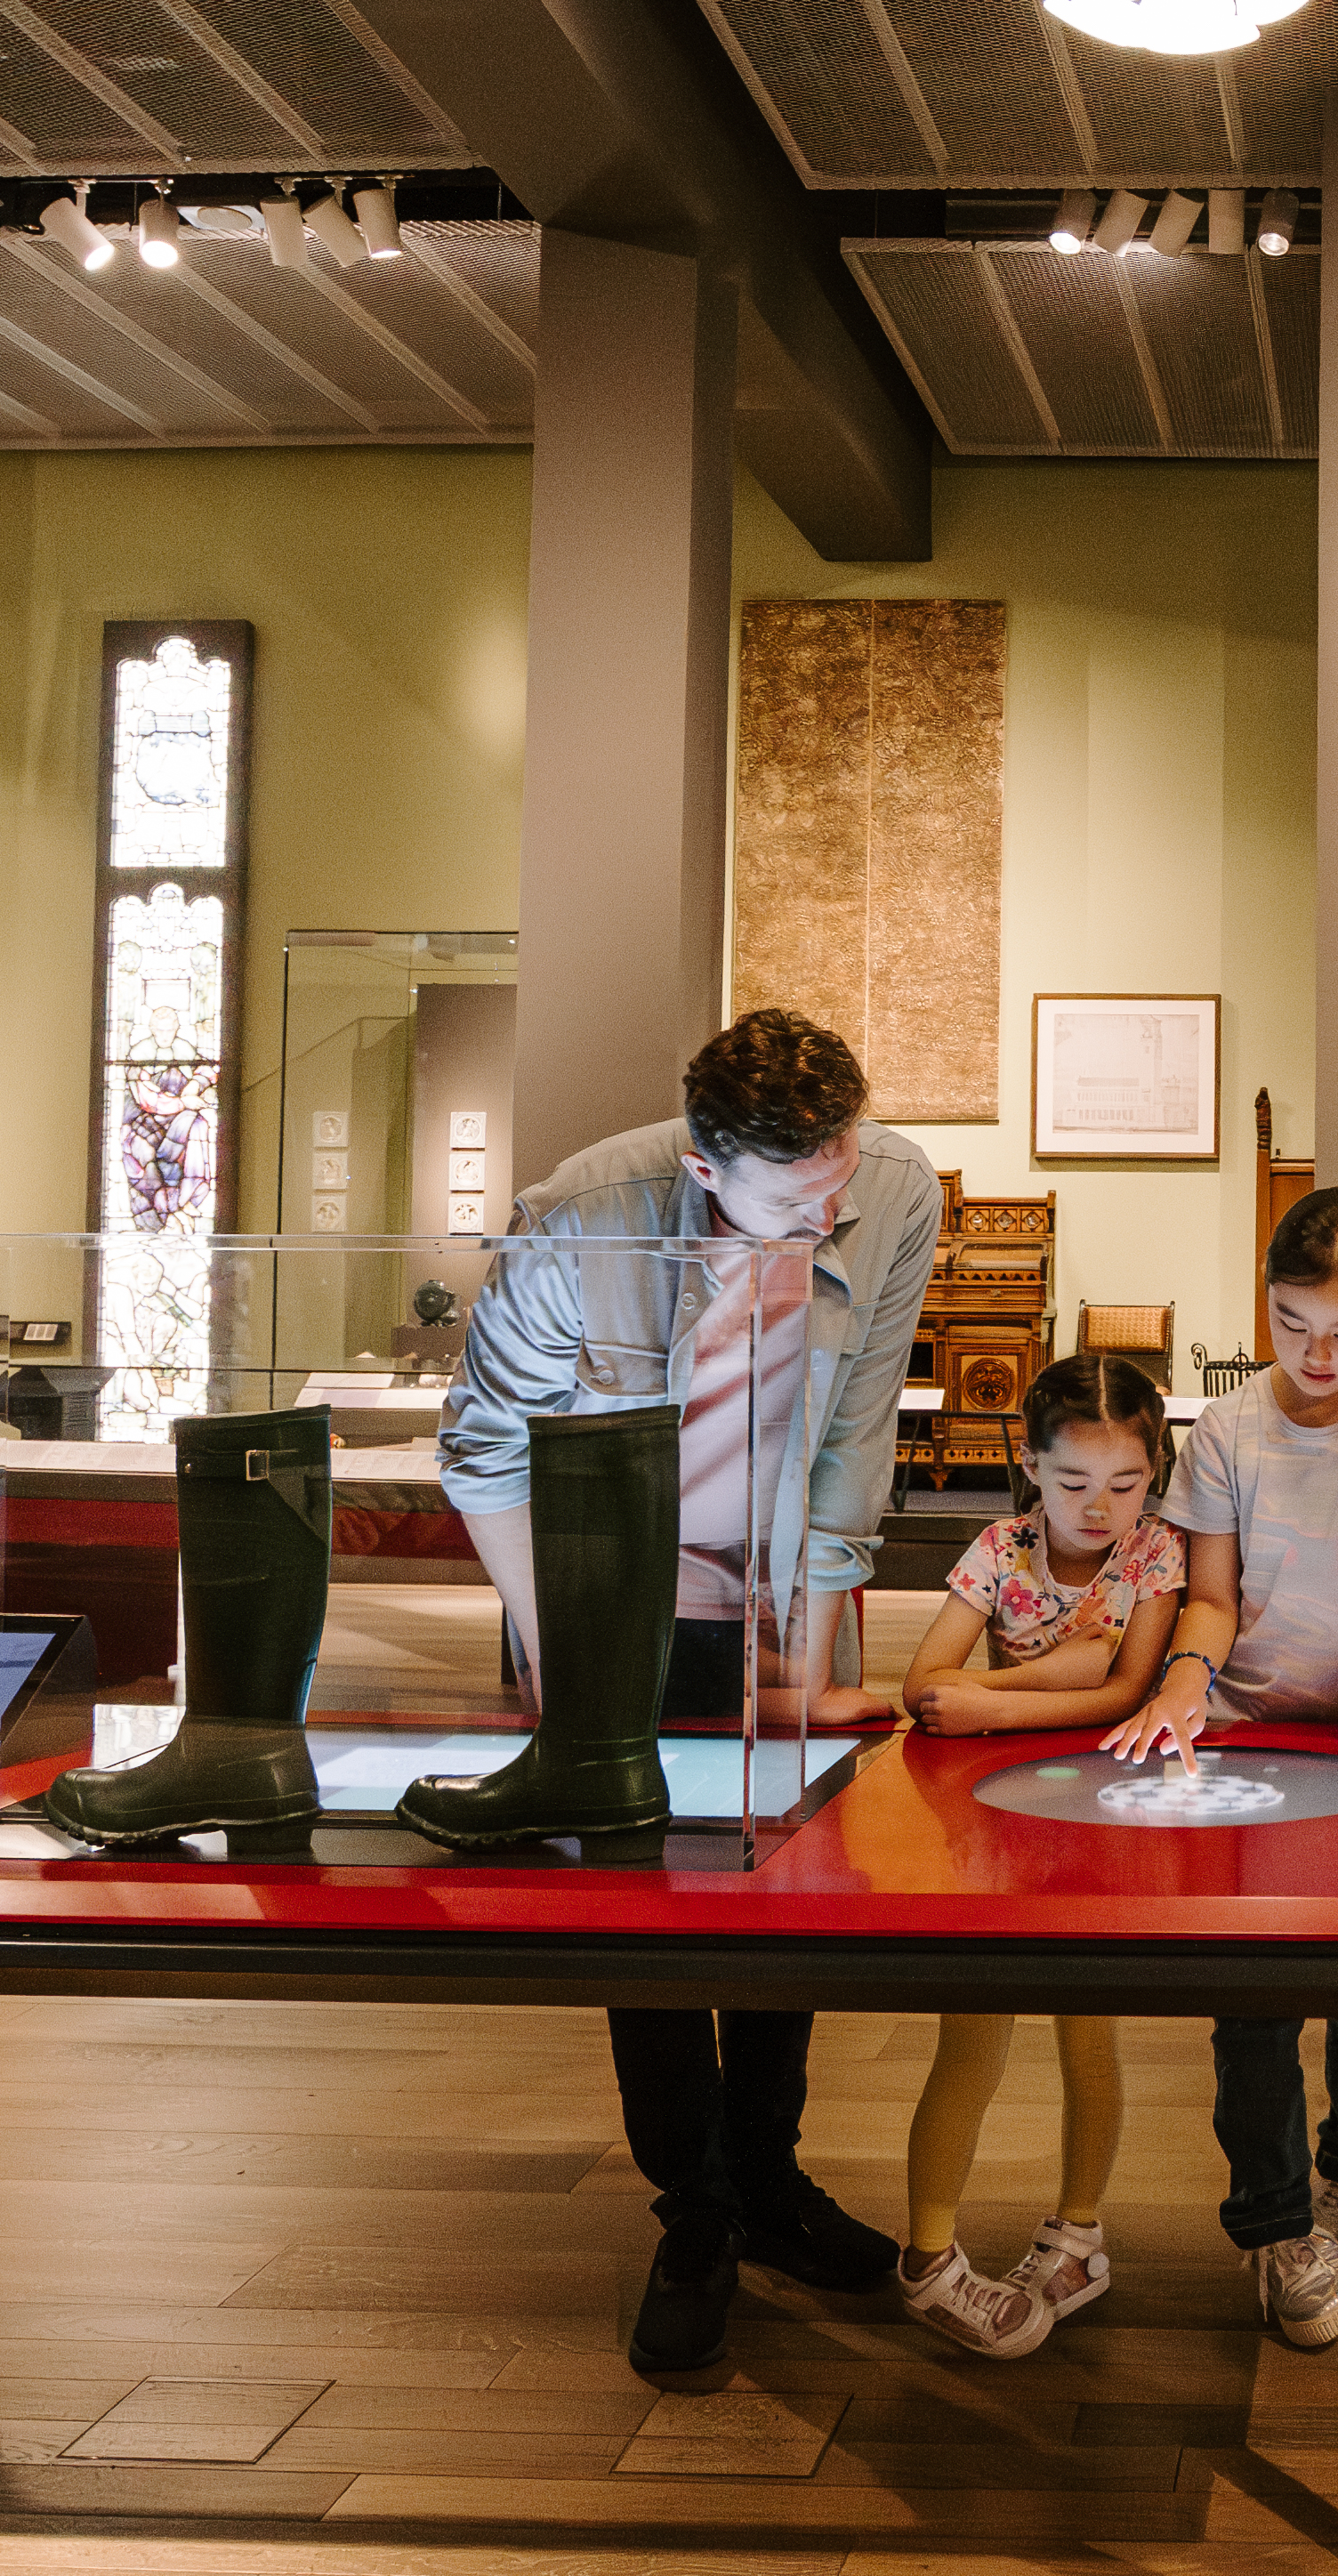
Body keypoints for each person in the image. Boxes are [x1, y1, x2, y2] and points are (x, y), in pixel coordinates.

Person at [423, 1010, 941, 2378]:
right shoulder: (580, 1217)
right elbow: (483, 1452)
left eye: (835, 1177)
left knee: (789, 1896)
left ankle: (766, 2179)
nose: (827, 1215)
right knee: (642, 1914)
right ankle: (697, 2212)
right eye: (793, 1201)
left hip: (776, 1593)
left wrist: (828, 1648)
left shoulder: (891, 1191)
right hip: (604, 1595)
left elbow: (856, 1432)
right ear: (707, 1173)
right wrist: (569, 1655)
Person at [1105, 1190, 1338, 2354]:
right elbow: (1212, 1594)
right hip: (1257, 1731)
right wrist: (1181, 1683)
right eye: (1290, 1319)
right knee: (1251, 1996)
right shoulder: (1227, 1430)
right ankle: (1272, 2231)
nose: (1315, 1354)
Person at [866, 1350, 1181, 2359]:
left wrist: (999, 1697)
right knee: (971, 2037)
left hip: (1099, 1830)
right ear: (1031, 1467)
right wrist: (1066, 1668)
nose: (1101, 1506)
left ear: (1156, 1471)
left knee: (1093, 2036)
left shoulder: (1155, 1558)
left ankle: (1079, 2233)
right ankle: (927, 2256)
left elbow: (1127, 1692)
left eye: (1126, 1482)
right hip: (993, 1836)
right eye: (1074, 1480)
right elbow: (925, 1680)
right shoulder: (999, 1548)